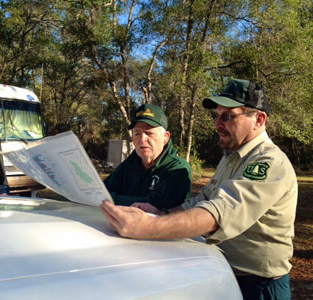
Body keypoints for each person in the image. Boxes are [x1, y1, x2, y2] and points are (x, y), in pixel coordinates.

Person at [100, 79, 298, 300]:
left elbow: (217, 214)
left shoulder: (269, 162)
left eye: (227, 116)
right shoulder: (232, 156)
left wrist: (147, 226)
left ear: (259, 120)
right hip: (224, 272)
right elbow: (202, 200)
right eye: (216, 116)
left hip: (258, 285)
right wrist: (161, 213)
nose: (217, 124)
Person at [104, 103, 192, 211]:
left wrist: (111, 200)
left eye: (149, 133)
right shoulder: (129, 164)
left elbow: (156, 205)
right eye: (137, 134)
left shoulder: (177, 168)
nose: (142, 139)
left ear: (165, 138)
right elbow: (102, 191)